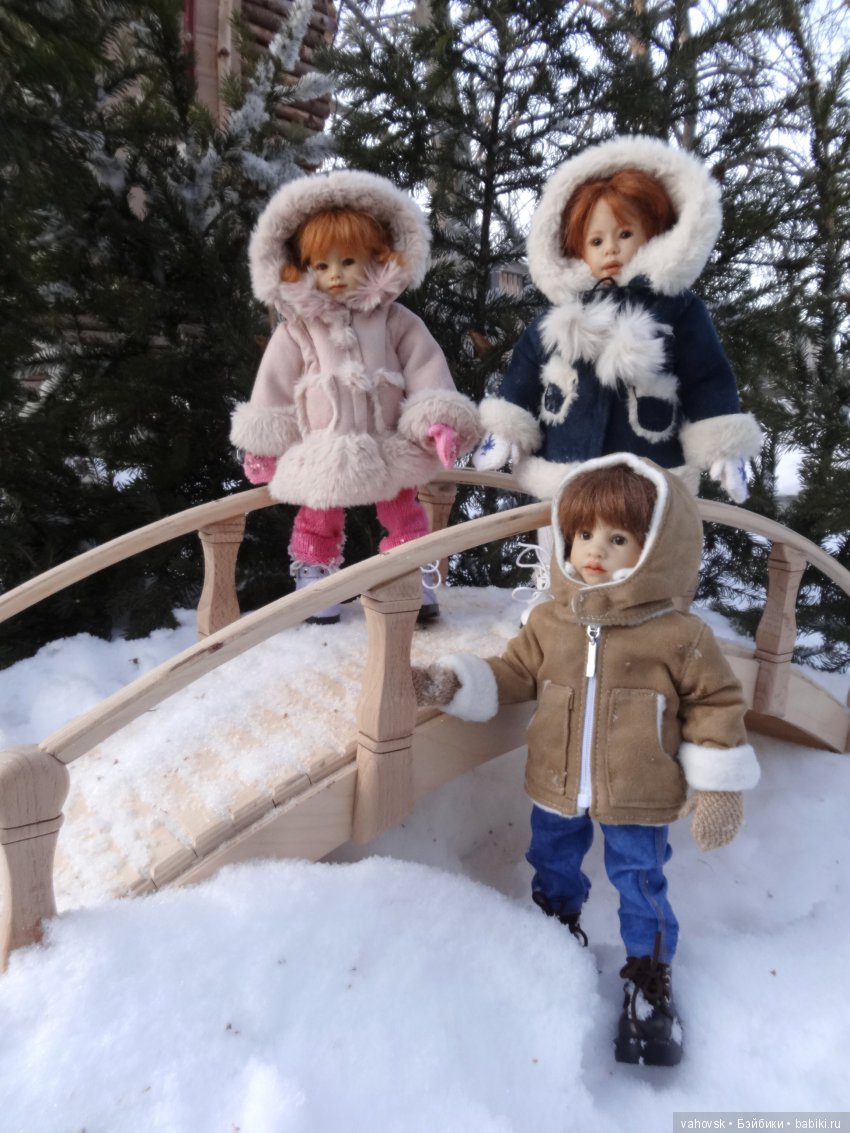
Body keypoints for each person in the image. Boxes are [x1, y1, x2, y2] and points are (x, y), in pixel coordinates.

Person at [411, 454, 760, 1067]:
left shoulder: (679, 634)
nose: (595, 549)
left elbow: (715, 703)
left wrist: (720, 786)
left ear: (657, 546)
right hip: (556, 782)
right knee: (552, 863)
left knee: (640, 882)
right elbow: (516, 672)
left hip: (642, 790)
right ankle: (556, 934)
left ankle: (648, 983)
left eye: (618, 537)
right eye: (583, 533)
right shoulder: (551, 620)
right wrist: (454, 682)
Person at [471, 135, 763, 617]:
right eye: (596, 240)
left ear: (657, 234)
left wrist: (722, 443)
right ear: (575, 248)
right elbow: (525, 367)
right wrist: (509, 423)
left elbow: (708, 376)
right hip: (566, 456)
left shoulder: (678, 311)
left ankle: (638, 613)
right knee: (563, 531)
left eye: (624, 234)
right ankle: (553, 605)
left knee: (638, 537)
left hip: (647, 457)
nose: (610, 250)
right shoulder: (565, 313)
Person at [231, 170, 481, 623]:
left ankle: (411, 577)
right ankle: (316, 579)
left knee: (403, 510)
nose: (335, 276)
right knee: (318, 513)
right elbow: (274, 384)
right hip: (322, 444)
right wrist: (265, 443)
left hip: (387, 441)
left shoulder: (396, 320)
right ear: (301, 269)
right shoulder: (297, 330)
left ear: (378, 259)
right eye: (321, 266)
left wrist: (436, 421)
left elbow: (426, 369)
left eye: (348, 262)